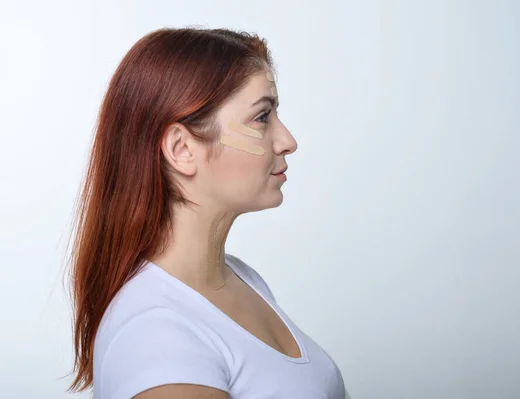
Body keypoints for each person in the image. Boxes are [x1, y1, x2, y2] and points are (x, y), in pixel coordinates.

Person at [66, 27, 351, 399]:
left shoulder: (243, 280)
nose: (288, 141)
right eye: (262, 117)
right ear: (182, 148)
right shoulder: (155, 334)